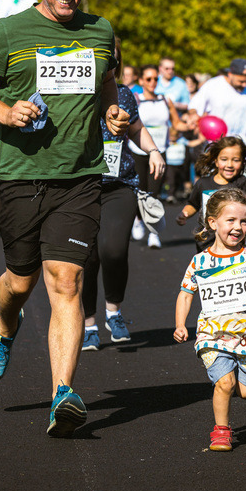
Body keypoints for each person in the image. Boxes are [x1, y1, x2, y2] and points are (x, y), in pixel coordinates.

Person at [0, 0, 129, 438]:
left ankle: (63, 393)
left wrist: (113, 111)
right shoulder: (11, 32)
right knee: (20, 282)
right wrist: (6, 113)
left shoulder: (100, 31)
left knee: (67, 282)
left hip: (79, 177)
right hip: (20, 177)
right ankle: (5, 327)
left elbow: (107, 84)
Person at [173, 188, 246, 452]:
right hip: (211, 335)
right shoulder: (199, 262)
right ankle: (221, 431)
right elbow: (185, 294)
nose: (238, 227)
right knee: (224, 383)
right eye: (230, 220)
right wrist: (180, 324)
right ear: (212, 222)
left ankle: (242, 379)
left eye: (244, 221)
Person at [81, 47, 164, 351]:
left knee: (113, 250)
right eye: (102, 56)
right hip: (80, 186)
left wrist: (153, 151)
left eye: (112, 57)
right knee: (87, 258)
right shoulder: (74, 92)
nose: (108, 63)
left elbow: (137, 129)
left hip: (120, 183)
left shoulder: (125, 93)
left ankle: (113, 312)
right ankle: (88, 323)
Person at [128, 63, 189, 248]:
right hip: (138, 151)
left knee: (154, 193)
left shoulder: (165, 100)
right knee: (140, 191)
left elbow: (177, 124)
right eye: (148, 79)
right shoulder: (135, 99)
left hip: (160, 152)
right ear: (141, 81)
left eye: (155, 78)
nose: (153, 82)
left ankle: (153, 233)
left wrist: (194, 125)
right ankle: (138, 219)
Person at [176, 135, 246, 250]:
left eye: (236, 160)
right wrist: (184, 214)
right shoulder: (203, 183)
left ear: (242, 162)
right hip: (206, 244)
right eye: (224, 159)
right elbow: (193, 204)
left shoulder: (242, 183)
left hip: (234, 243)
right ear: (216, 161)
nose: (229, 165)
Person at [188, 58, 246, 161]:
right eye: (241, 81)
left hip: (245, 148)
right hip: (217, 149)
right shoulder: (213, 85)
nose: (244, 85)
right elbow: (194, 106)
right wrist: (193, 114)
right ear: (230, 74)